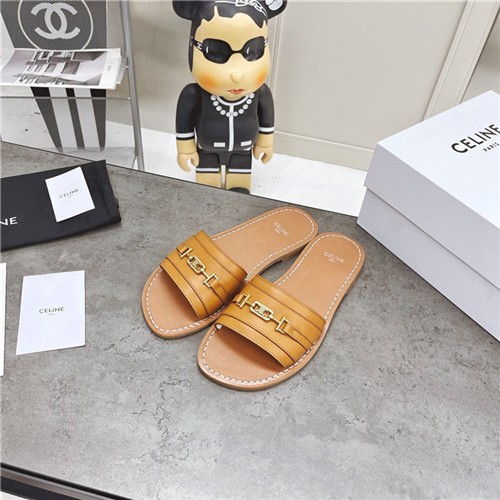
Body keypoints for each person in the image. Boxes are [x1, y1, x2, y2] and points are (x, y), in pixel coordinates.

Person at [173, 0, 287, 193]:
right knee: (208, 185)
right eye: (216, 51)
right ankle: (209, 191)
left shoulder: (261, 93)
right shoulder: (192, 94)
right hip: (207, 152)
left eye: (253, 50)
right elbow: (183, 123)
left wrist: (265, 143)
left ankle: (238, 191)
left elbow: (267, 120)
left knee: (239, 183)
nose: (237, 74)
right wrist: (186, 149)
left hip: (242, 152)